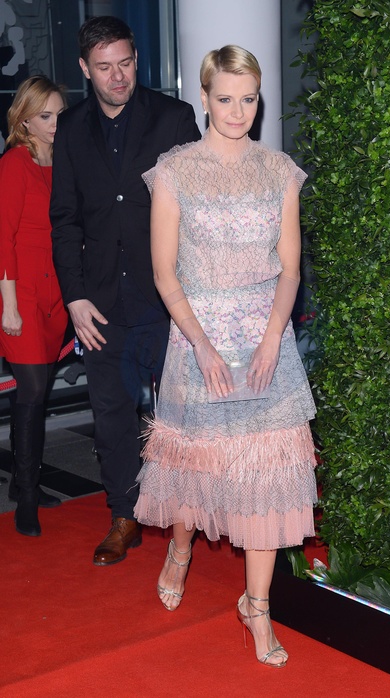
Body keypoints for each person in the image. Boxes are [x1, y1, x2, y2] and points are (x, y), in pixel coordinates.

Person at [134, 45, 318, 668]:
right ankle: (180, 548)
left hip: (268, 343)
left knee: (269, 476)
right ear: (204, 98)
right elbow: (165, 274)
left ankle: (257, 607)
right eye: (225, 98)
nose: (238, 111)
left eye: (249, 99)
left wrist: (272, 338)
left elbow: (290, 270)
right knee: (198, 467)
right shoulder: (174, 171)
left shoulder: (280, 170)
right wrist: (202, 343)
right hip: (198, 341)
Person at [50, 16, 200, 566]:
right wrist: (74, 296)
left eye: (126, 64)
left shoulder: (173, 118)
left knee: (183, 414)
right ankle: (125, 516)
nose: (118, 77)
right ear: (84, 69)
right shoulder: (70, 128)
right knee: (111, 413)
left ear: (137, 58)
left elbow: (198, 213)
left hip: (167, 298)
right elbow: (64, 219)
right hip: (99, 302)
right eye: (105, 68)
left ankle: (192, 514)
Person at [0, 75, 68, 537]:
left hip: (56, 294)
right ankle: (26, 495)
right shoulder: (13, 164)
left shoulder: (61, 162)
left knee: (37, 394)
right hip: (20, 291)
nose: (55, 123)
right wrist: (9, 307)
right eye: (45, 116)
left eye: (60, 114)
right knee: (31, 391)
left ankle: (21, 480)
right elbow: (2, 239)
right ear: (24, 119)